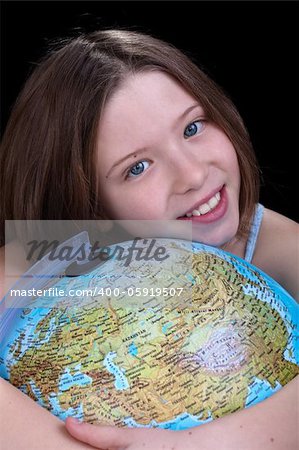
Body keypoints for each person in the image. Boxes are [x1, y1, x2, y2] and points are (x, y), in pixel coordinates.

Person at [0, 29, 298, 450]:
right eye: (137, 167)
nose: (193, 174)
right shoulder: (58, 251)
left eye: (193, 127)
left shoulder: (281, 245)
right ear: (91, 208)